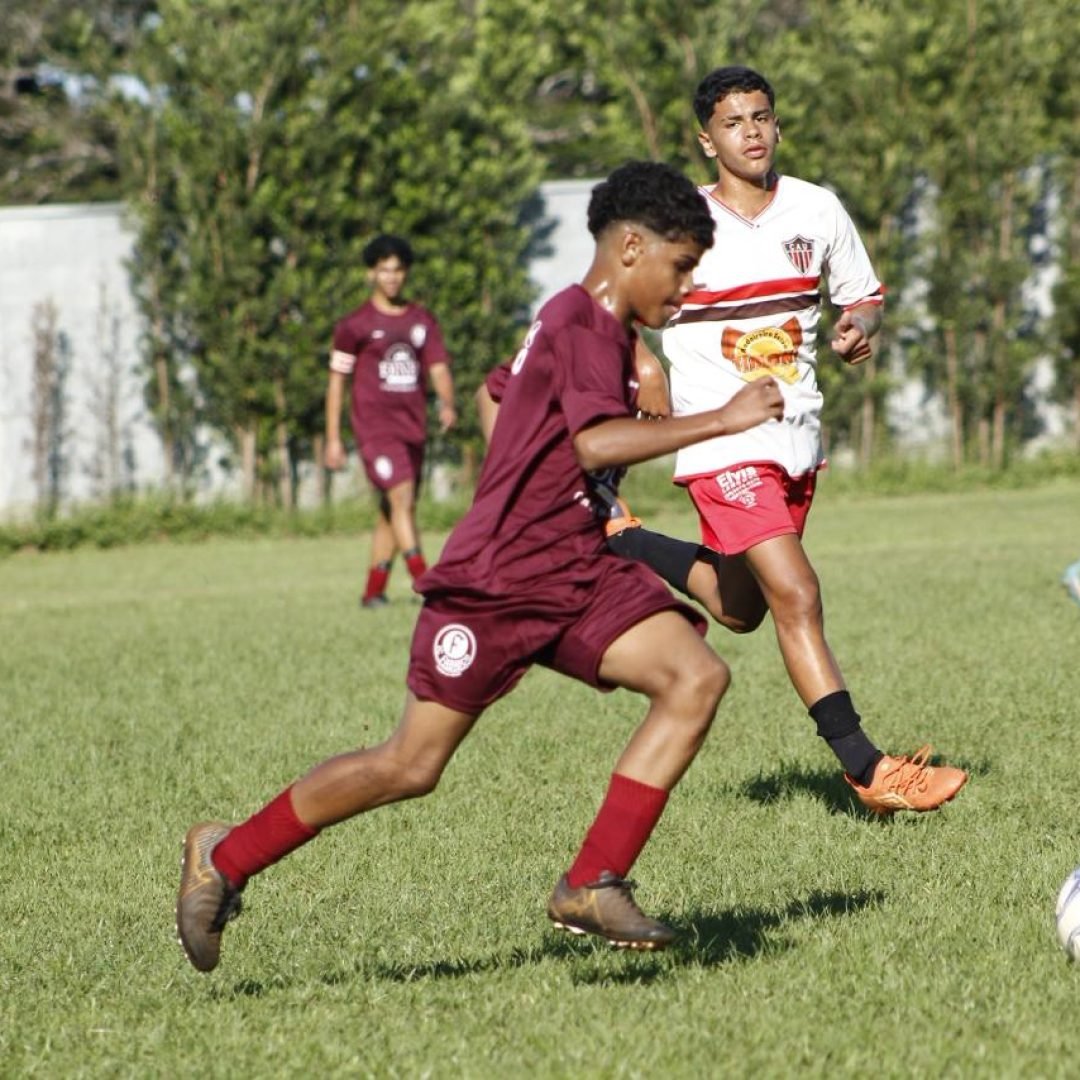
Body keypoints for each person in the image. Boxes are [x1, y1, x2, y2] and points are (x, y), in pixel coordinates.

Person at [175, 161, 785, 973]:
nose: (686, 286)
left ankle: (592, 880)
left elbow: (502, 393)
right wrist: (723, 418)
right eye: (681, 266)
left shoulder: (597, 334)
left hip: (578, 566)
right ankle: (224, 856)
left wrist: (542, 474)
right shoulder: (576, 322)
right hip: (499, 578)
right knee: (410, 765)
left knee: (696, 678)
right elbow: (593, 441)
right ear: (631, 248)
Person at [630, 65, 968, 815]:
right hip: (722, 443)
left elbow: (866, 296)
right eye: (732, 122)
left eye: (761, 117)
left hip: (795, 439)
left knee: (741, 607)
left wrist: (859, 329)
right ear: (705, 140)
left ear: (777, 126)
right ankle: (868, 769)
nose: (750, 132)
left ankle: (620, 540)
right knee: (799, 593)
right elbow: (609, 301)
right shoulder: (681, 224)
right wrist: (640, 360)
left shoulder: (817, 209)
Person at [324, 234, 457, 608]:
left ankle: (373, 591)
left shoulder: (421, 320)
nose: (392, 277)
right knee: (401, 498)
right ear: (371, 274)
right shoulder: (354, 325)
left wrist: (447, 403)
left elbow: (439, 367)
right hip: (374, 428)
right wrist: (333, 438)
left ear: (406, 273)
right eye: (384, 270)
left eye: (398, 270)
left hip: (412, 427)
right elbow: (337, 382)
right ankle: (427, 583)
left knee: (394, 509)